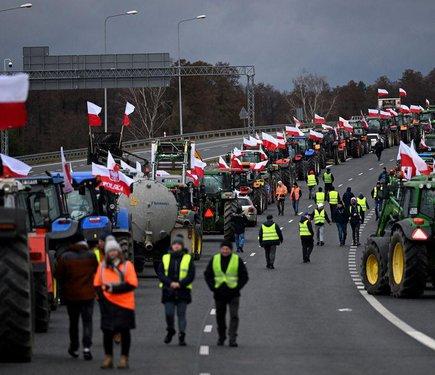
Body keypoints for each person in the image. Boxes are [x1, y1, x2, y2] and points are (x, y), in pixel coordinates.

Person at [94, 236, 138, 369]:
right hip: (108, 304)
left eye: (114, 250)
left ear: (119, 251)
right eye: (109, 251)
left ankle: (124, 358)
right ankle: (108, 357)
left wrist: (113, 288)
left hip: (125, 304)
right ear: (106, 253)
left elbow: (132, 284)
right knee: (107, 332)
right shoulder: (102, 267)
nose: (112, 253)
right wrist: (102, 298)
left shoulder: (127, 266)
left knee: (124, 331)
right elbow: (97, 284)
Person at [55, 235, 98, 360]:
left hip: (71, 295)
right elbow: (96, 271)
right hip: (88, 295)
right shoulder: (91, 256)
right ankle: (87, 348)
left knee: (73, 323)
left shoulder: (65, 257)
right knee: (87, 321)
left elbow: (58, 275)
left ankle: (74, 347)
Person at [204, 241, 249, 347]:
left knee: (234, 316)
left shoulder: (236, 260)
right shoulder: (214, 259)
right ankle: (222, 336)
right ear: (220, 249)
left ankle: (232, 338)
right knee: (220, 317)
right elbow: (208, 275)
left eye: (227, 249)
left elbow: (244, 276)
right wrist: (213, 287)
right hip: (219, 294)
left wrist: (238, 287)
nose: (225, 250)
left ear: (231, 250)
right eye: (223, 249)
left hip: (233, 294)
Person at [157, 236, 195, 346]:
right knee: (169, 313)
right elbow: (160, 273)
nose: (176, 246)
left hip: (183, 291)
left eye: (178, 244)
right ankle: (170, 330)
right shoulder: (165, 258)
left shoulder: (187, 259)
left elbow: (191, 275)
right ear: (172, 246)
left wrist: (180, 284)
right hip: (168, 290)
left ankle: (182, 336)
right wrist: (170, 283)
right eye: (175, 244)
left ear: (182, 246)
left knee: (181, 314)